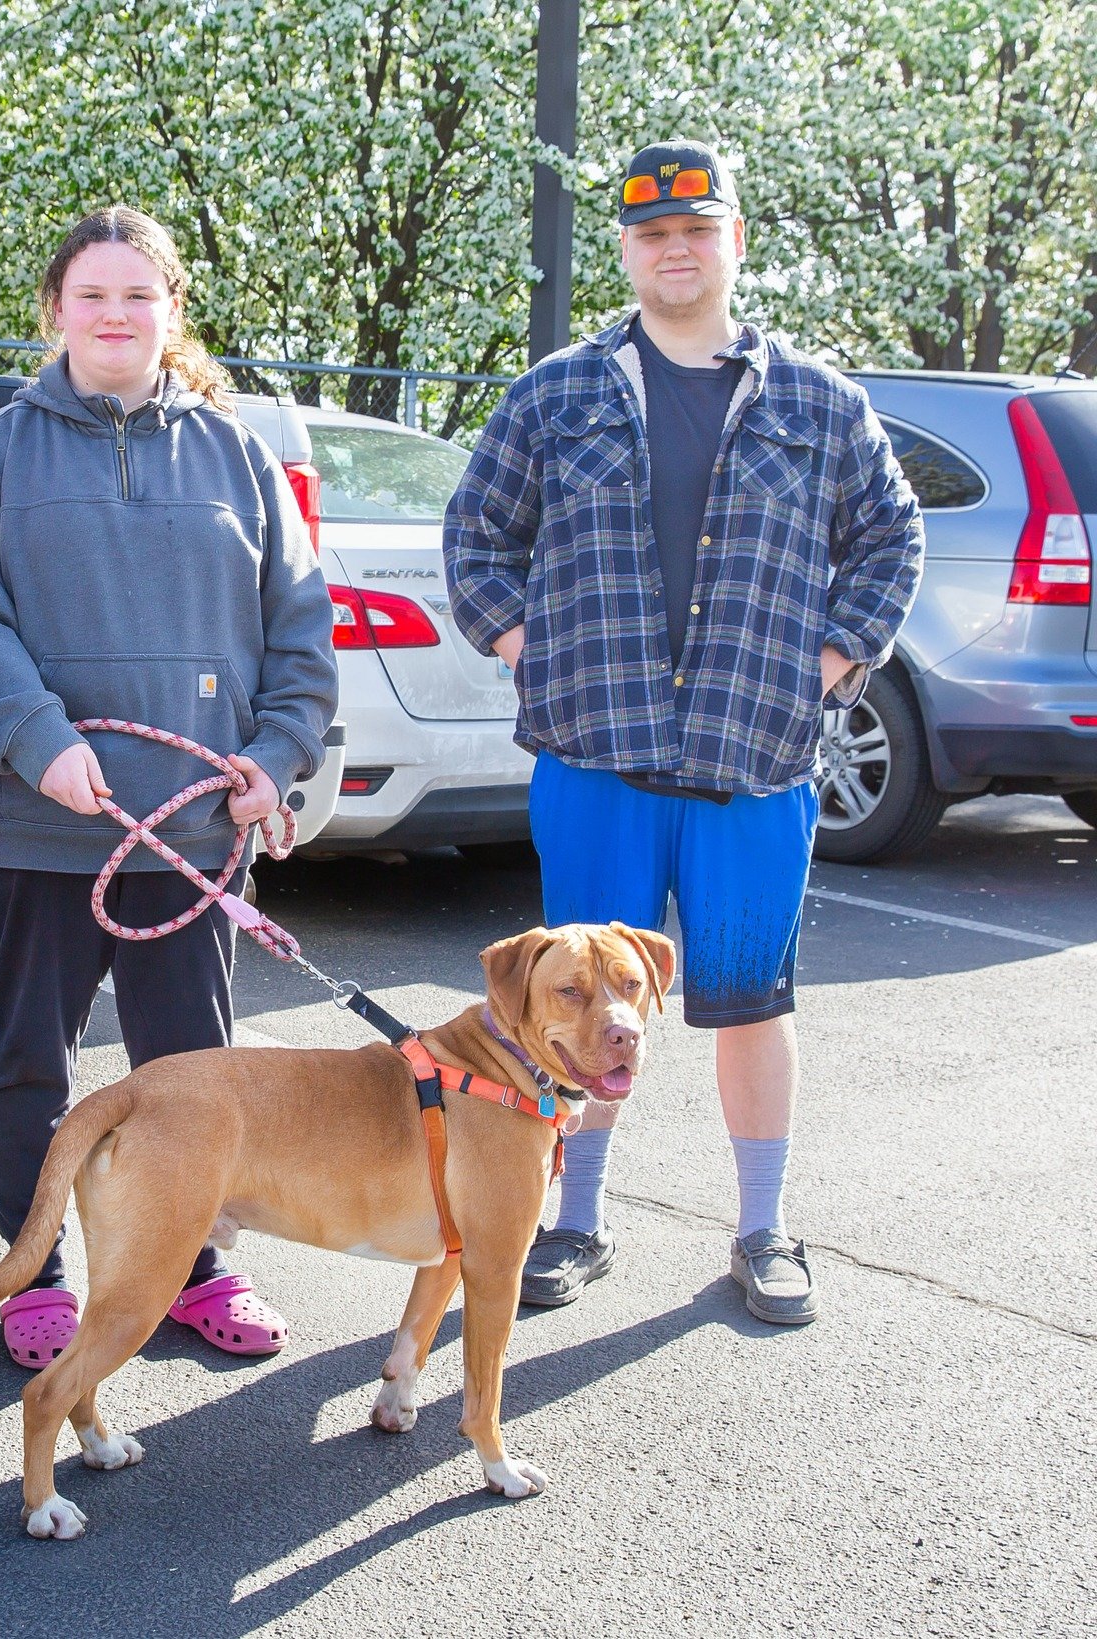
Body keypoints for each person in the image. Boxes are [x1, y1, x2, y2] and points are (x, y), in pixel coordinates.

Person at [444, 140, 924, 1325]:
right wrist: (523, 650)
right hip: (594, 761)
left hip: (753, 765)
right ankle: (577, 1220)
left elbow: (890, 537)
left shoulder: (818, 401)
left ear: (731, 242)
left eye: (696, 230)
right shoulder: (556, 393)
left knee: (748, 1002)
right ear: (625, 248)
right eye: (652, 233)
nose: (675, 249)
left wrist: (827, 662)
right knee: (577, 1006)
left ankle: (761, 1230)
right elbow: (474, 536)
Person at [0, 206, 338, 1370]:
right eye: (92, 295)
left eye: (137, 296)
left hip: (191, 834)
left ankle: (192, 1264)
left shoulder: (237, 456)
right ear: (54, 308)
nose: (114, 316)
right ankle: (31, 1269)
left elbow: (297, 632)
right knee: (30, 1066)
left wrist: (278, 751)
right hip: (37, 824)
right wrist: (34, 738)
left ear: (169, 312)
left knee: (194, 1076)